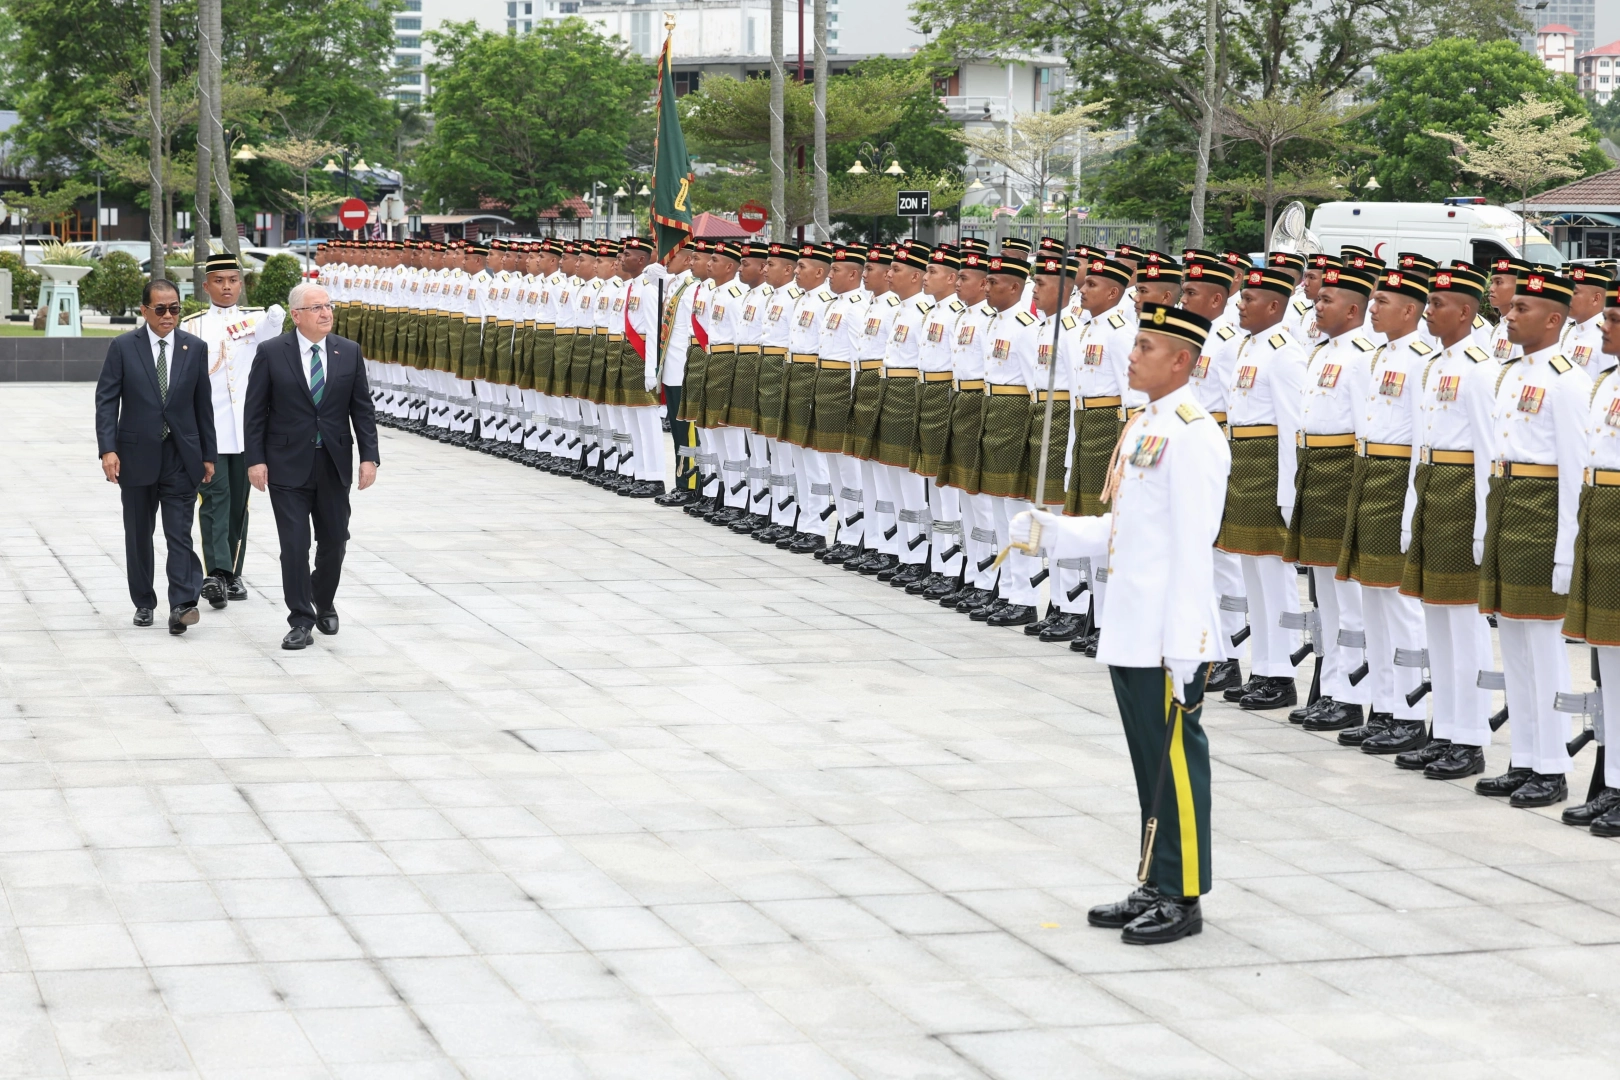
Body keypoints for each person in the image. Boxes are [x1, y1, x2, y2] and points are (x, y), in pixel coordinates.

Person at [1009, 302, 1231, 944]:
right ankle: (1157, 878)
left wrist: (1190, 643)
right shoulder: (1143, 424)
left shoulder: (1193, 434)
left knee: (1177, 766)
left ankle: (1183, 895)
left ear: (1182, 361)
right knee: (1148, 762)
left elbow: (1194, 545)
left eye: (1146, 348)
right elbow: (1127, 528)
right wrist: (1053, 534)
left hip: (1168, 632)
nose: (1130, 357)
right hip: (1132, 624)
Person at [1475, 265, 1591, 807]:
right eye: (1511, 306)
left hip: (1544, 513)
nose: (1509, 313)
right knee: (1514, 643)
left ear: (1553, 317)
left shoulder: (1568, 380)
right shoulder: (1510, 372)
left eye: (1522, 308)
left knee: (1543, 647)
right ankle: (1523, 756)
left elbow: (1574, 470)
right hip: (1508, 505)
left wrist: (1568, 547)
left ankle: (1551, 765)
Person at [244, 281, 381, 651]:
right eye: (317, 308)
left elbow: (362, 410)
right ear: (296, 315)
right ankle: (301, 619)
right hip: (286, 465)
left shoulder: (348, 352)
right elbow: (255, 411)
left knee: (335, 541)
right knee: (294, 546)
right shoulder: (273, 352)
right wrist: (254, 460)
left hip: (334, 463)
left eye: (328, 306)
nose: (326, 313)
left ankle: (323, 599)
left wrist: (369, 456)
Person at [96, 279, 217, 634]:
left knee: (179, 532)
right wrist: (108, 449)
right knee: (138, 533)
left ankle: (182, 604)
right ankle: (144, 602)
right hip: (135, 456)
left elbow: (202, 405)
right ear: (144, 310)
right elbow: (106, 401)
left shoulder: (194, 348)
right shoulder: (122, 347)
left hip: (181, 454)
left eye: (175, 308)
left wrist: (208, 454)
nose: (169, 316)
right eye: (161, 309)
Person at [183, 252, 285, 608]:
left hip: (246, 430)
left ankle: (233, 572)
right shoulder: (192, 325)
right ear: (206, 285)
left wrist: (276, 316)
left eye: (233, 281)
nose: (226, 288)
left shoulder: (255, 320)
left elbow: (273, 333)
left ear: (241, 284)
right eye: (219, 281)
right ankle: (217, 574)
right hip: (208, 430)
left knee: (238, 504)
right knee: (214, 499)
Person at [1562, 278, 1620, 833]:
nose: (1604, 323)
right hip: (1601, 514)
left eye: (1615, 319)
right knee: (1610, 661)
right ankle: (1614, 784)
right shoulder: (1603, 383)